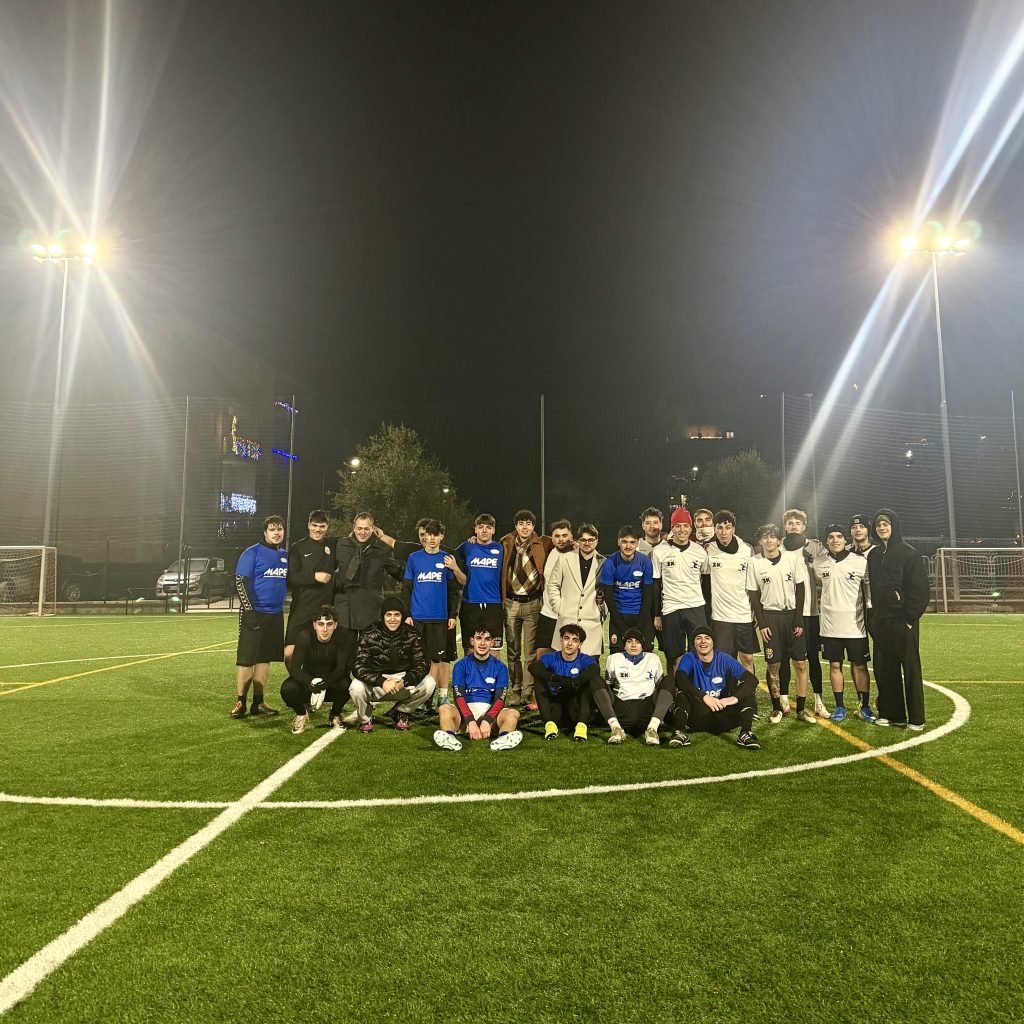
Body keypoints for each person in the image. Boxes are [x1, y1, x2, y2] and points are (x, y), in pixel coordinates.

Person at [866, 509, 929, 730]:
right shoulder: (874, 555)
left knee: (910, 670)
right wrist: (874, 619)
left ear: (894, 526)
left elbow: (920, 591)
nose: (882, 528)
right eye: (878, 524)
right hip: (882, 622)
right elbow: (875, 590)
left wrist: (909, 619)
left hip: (903, 621)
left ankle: (916, 719)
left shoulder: (909, 554)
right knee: (885, 669)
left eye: (886, 524)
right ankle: (891, 714)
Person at [746, 523, 813, 725]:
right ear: (760, 541)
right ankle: (776, 708)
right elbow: (753, 594)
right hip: (771, 617)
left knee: (800, 663)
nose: (769, 540)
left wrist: (798, 618)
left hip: (792, 616)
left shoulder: (792, 558)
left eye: (772, 536)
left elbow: (801, 589)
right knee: (773, 665)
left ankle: (801, 709)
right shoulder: (754, 562)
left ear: (778, 540)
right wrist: (763, 623)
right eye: (765, 537)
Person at [812, 524, 876, 723]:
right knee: (834, 665)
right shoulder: (819, 563)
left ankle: (864, 706)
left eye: (839, 536)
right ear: (826, 541)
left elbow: (869, 590)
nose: (835, 540)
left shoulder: (860, 561)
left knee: (860, 666)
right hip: (830, 626)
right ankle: (839, 706)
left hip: (856, 625)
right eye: (831, 537)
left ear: (845, 539)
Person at [332, 512, 403, 681]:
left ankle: (368, 686)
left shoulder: (382, 549)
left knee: (369, 653)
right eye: (359, 528)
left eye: (366, 529)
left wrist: (420, 577)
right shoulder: (340, 544)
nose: (362, 532)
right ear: (353, 528)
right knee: (344, 654)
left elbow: (399, 573)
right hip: (345, 607)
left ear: (373, 529)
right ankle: (341, 688)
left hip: (370, 608)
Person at [349, 597, 436, 733]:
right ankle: (365, 719)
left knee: (430, 683)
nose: (393, 619)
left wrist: (405, 681)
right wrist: (381, 681)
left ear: (402, 616)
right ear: (382, 616)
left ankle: (402, 712)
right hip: (377, 683)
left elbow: (422, 664)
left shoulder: (412, 633)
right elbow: (358, 666)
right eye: (388, 615)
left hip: (402, 682)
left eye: (397, 615)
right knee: (355, 687)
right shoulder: (369, 633)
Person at [231, 515, 288, 718]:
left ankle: (258, 702)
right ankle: (240, 702)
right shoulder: (252, 552)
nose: (276, 533)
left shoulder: (284, 555)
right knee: (247, 659)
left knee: (264, 659)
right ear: (265, 533)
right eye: (272, 529)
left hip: (275, 615)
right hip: (254, 614)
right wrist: (250, 610)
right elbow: (240, 582)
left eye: (279, 529)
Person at [669, 626, 760, 750]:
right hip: (697, 716)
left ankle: (745, 733)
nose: (703, 641)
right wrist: (704, 696)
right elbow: (680, 679)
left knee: (747, 693)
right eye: (698, 638)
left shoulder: (724, 658)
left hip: (722, 712)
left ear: (713, 643)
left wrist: (733, 698)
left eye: (707, 638)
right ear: (694, 644)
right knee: (682, 693)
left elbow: (752, 680)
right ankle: (680, 731)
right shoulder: (689, 657)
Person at [435, 627, 523, 751]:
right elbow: (459, 697)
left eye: (487, 639)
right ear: (472, 641)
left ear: (492, 642)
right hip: (464, 715)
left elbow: (500, 699)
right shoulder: (460, 665)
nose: (482, 643)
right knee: (444, 709)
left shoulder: (501, 667)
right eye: (478, 638)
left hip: (491, 714)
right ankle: (450, 738)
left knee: (513, 714)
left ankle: (502, 739)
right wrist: (470, 721)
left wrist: (486, 720)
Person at [500, 509, 554, 709]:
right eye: (521, 523)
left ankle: (527, 691)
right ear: (516, 526)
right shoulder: (506, 542)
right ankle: (515, 689)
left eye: (528, 523)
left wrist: (573, 543)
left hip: (533, 603)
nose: (525, 527)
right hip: (512, 603)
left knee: (530, 652)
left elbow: (562, 542)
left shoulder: (544, 542)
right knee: (513, 651)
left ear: (533, 526)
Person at [402, 519, 460, 705]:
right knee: (418, 659)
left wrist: (452, 615)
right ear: (424, 536)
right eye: (429, 534)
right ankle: (421, 698)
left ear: (442, 537)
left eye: (436, 535)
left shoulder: (446, 559)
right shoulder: (414, 558)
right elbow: (407, 589)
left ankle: (434, 697)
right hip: (418, 618)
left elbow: (452, 591)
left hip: (439, 619)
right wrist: (407, 614)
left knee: (438, 659)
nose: (432, 538)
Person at [778, 509, 829, 719]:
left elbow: (826, 572)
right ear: (785, 526)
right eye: (790, 523)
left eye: (797, 523)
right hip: (784, 611)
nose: (793, 526)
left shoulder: (814, 547)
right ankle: (783, 699)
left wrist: (813, 562)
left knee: (812, 658)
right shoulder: (778, 546)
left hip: (810, 612)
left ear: (804, 526)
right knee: (784, 657)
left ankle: (818, 701)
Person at [652, 507, 709, 671]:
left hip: (695, 606)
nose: (682, 530)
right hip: (671, 608)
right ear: (672, 528)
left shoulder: (700, 551)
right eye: (678, 526)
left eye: (685, 526)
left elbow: (706, 582)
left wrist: (707, 609)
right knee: (674, 656)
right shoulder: (659, 551)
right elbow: (656, 585)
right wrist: (657, 614)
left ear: (691, 528)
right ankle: (675, 686)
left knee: (699, 653)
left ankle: (695, 686)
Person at [279, 605, 352, 734]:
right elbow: (295, 669)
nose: (325, 629)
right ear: (314, 625)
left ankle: (335, 714)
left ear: (335, 625)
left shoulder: (343, 635)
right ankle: (301, 714)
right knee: (287, 688)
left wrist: (325, 683)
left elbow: (341, 668)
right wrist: (311, 682)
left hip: (331, 682)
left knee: (347, 685)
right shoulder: (304, 636)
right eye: (321, 624)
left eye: (329, 624)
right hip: (309, 683)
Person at [600, 628, 675, 746]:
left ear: (642, 646)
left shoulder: (653, 659)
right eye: (629, 641)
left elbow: (660, 685)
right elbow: (609, 685)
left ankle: (652, 729)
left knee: (669, 680)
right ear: (624, 645)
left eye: (637, 642)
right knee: (597, 680)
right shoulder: (614, 659)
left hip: (647, 709)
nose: (633, 645)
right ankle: (615, 728)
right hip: (622, 709)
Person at [529, 623, 602, 742]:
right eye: (566, 638)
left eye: (575, 640)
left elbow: (595, 670)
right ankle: (549, 725)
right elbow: (533, 667)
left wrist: (574, 682)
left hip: (575, 711)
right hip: (556, 711)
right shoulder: (552, 657)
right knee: (539, 680)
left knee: (590, 681)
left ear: (580, 644)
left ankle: (581, 726)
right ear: (561, 640)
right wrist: (555, 678)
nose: (569, 643)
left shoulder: (584, 659)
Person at [703, 510, 757, 673]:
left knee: (747, 658)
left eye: (727, 527)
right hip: (720, 616)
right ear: (714, 529)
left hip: (743, 613)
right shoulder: (708, 549)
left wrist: (755, 608)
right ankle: (728, 688)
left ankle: (749, 689)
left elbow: (753, 582)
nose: (723, 532)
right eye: (719, 527)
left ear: (733, 529)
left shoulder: (746, 549)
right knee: (724, 658)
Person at [544, 523, 606, 657]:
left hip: (591, 624)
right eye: (583, 540)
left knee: (589, 667)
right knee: (564, 666)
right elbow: (553, 585)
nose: (587, 543)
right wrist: (559, 608)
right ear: (578, 541)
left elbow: (608, 590)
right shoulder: (564, 559)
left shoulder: (604, 562)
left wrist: (601, 610)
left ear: (596, 541)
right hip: (567, 619)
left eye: (591, 540)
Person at [284, 509, 335, 669]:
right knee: (289, 652)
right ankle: (296, 679)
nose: (318, 529)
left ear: (327, 527)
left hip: (324, 610)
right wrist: (314, 577)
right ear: (308, 525)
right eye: (315, 525)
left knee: (321, 654)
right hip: (302, 608)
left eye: (322, 526)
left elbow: (357, 535)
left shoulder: (332, 545)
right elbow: (291, 578)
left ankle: (317, 682)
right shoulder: (298, 547)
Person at [454, 514, 505, 653]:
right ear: (475, 529)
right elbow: (449, 557)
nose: (484, 530)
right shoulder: (467, 546)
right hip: (470, 604)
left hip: (493, 605)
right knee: (470, 650)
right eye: (481, 527)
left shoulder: (501, 549)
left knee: (494, 651)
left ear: (493, 530)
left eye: (488, 527)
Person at [599, 526, 655, 653]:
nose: (628, 546)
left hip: (641, 615)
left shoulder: (645, 562)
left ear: (638, 543)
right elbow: (609, 598)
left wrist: (639, 627)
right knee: (617, 655)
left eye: (632, 542)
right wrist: (622, 627)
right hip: (619, 615)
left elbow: (647, 597)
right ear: (618, 542)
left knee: (646, 655)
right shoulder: (610, 563)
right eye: (624, 542)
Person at [534, 519, 575, 659]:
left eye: (565, 535)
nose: (561, 539)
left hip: (567, 615)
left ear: (571, 537)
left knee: (567, 655)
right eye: (557, 536)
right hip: (547, 613)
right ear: (552, 538)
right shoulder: (548, 550)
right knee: (542, 654)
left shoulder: (577, 554)